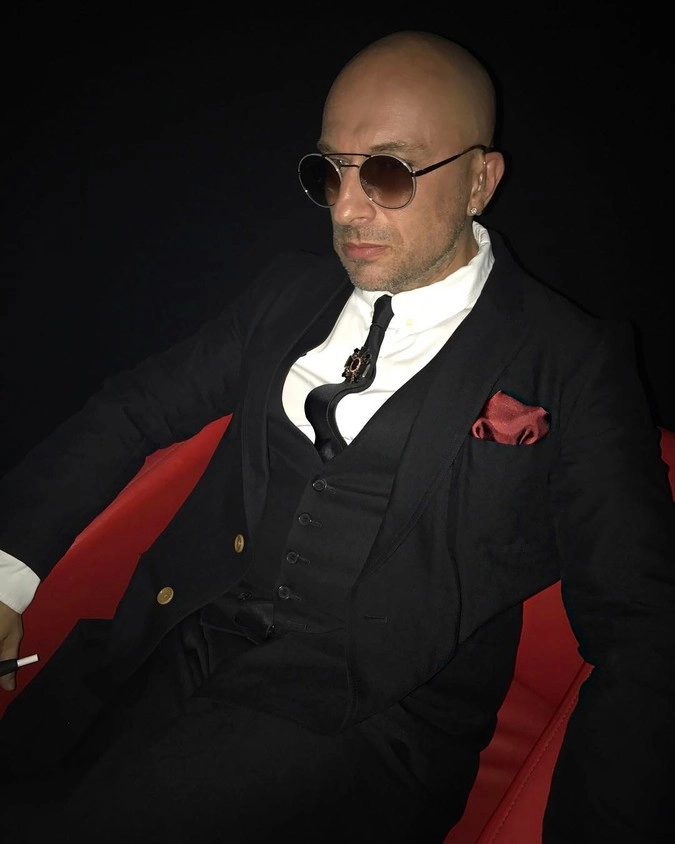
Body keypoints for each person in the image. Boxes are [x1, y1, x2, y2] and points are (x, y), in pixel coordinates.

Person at [1, 28, 674, 844]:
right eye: (329, 172)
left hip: (366, 723)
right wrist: (5, 575)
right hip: (178, 646)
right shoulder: (285, 294)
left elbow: (642, 624)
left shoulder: (574, 360)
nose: (348, 208)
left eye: (387, 172)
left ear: (479, 180)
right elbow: (134, 409)